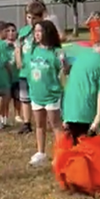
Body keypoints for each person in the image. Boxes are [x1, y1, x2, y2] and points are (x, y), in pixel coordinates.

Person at [63, 32, 100, 144]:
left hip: (70, 109)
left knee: (73, 146)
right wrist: (97, 118)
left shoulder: (83, 55)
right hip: (86, 113)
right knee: (87, 148)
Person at [27, 19, 65, 166]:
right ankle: (40, 152)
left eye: (40, 31)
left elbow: (63, 71)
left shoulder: (56, 52)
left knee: (55, 125)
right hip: (36, 94)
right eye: (35, 31)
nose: (37, 34)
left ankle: (61, 153)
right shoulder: (33, 50)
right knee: (39, 124)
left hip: (52, 94)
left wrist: (64, 63)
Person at [15, 0, 46, 135]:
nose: (31, 21)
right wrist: (19, 61)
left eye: (34, 18)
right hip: (24, 71)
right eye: (29, 17)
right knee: (24, 98)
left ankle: (45, 120)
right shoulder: (23, 31)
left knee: (40, 96)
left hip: (38, 70)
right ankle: (26, 123)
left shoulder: (43, 30)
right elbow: (18, 47)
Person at [6, 22, 22, 123]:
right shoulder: (2, 46)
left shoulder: (19, 45)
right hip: (6, 77)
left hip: (17, 76)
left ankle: (18, 114)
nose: (11, 33)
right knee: (5, 98)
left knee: (18, 97)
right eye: (8, 31)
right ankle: (4, 116)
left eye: (13, 30)